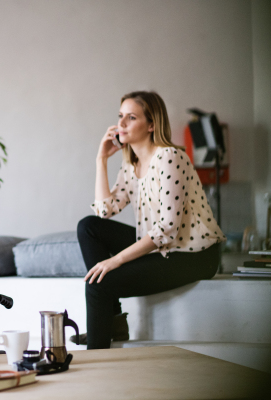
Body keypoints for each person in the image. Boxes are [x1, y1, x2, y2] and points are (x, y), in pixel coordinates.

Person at [77, 91, 226, 350]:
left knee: (98, 285)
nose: (121, 123)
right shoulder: (131, 165)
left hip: (194, 254)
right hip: (164, 248)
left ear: (151, 124)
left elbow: (167, 230)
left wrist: (115, 261)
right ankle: (112, 320)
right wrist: (101, 159)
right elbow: (104, 211)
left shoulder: (170, 157)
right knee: (89, 227)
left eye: (131, 117)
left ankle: (97, 362)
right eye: (120, 116)